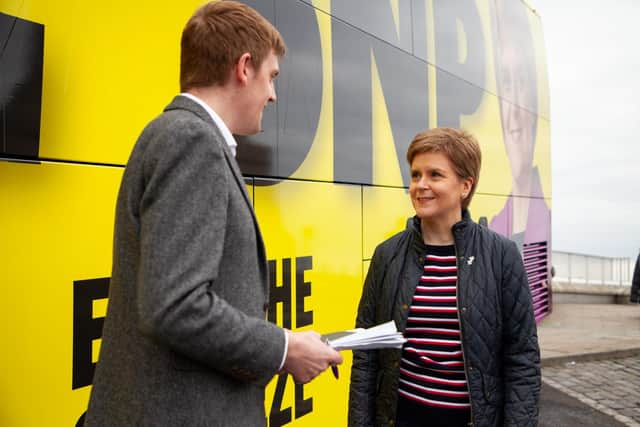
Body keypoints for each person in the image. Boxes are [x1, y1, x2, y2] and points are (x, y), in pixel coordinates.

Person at [85, 2, 342, 426]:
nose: (273, 94)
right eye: (271, 76)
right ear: (244, 68)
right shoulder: (192, 141)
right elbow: (176, 305)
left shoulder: (180, 135)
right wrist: (283, 348)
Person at [348, 128, 540, 427]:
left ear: (465, 186)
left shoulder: (501, 255)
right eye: (415, 175)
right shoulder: (387, 255)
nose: (420, 185)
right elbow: (366, 356)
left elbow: (522, 358)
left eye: (435, 175)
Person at [489, 0, 551, 253]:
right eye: (505, 83)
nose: (513, 111)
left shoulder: (544, 220)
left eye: (522, 82)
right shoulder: (493, 224)